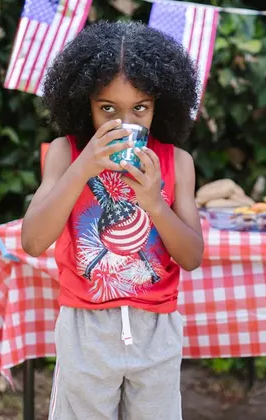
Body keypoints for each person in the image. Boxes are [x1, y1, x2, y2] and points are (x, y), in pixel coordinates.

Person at [20, 20, 204, 420]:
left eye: (140, 108)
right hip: (85, 331)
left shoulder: (178, 164)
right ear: (84, 104)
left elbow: (191, 257)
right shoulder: (65, 154)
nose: (126, 123)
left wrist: (155, 204)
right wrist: (83, 166)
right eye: (108, 109)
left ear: (160, 105)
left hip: (156, 333)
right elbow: (33, 241)